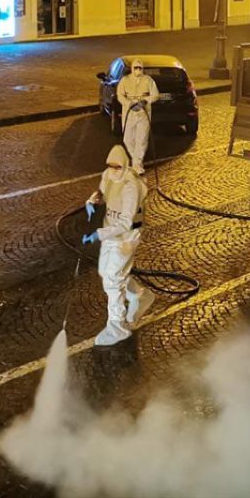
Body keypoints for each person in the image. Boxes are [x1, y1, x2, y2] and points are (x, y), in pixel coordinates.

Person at [82, 145, 154, 346]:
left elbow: (125, 223)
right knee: (106, 273)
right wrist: (92, 201)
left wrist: (98, 234)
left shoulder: (131, 186)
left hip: (126, 238)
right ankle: (139, 295)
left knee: (113, 280)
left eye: (117, 166)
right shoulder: (108, 175)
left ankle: (117, 327)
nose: (113, 169)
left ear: (124, 165)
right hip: (110, 233)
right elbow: (102, 192)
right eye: (110, 166)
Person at [116, 58, 159, 175]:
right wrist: (128, 103)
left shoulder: (148, 80)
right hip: (129, 113)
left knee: (141, 139)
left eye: (140, 68)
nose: (138, 70)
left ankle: (137, 165)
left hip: (143, 114)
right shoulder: (125, 81)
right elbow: (120, 95)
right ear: (132, 69)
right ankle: (136, 161)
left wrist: (145, 101)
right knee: (127, 139)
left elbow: (155, 95)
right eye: (136, 68)